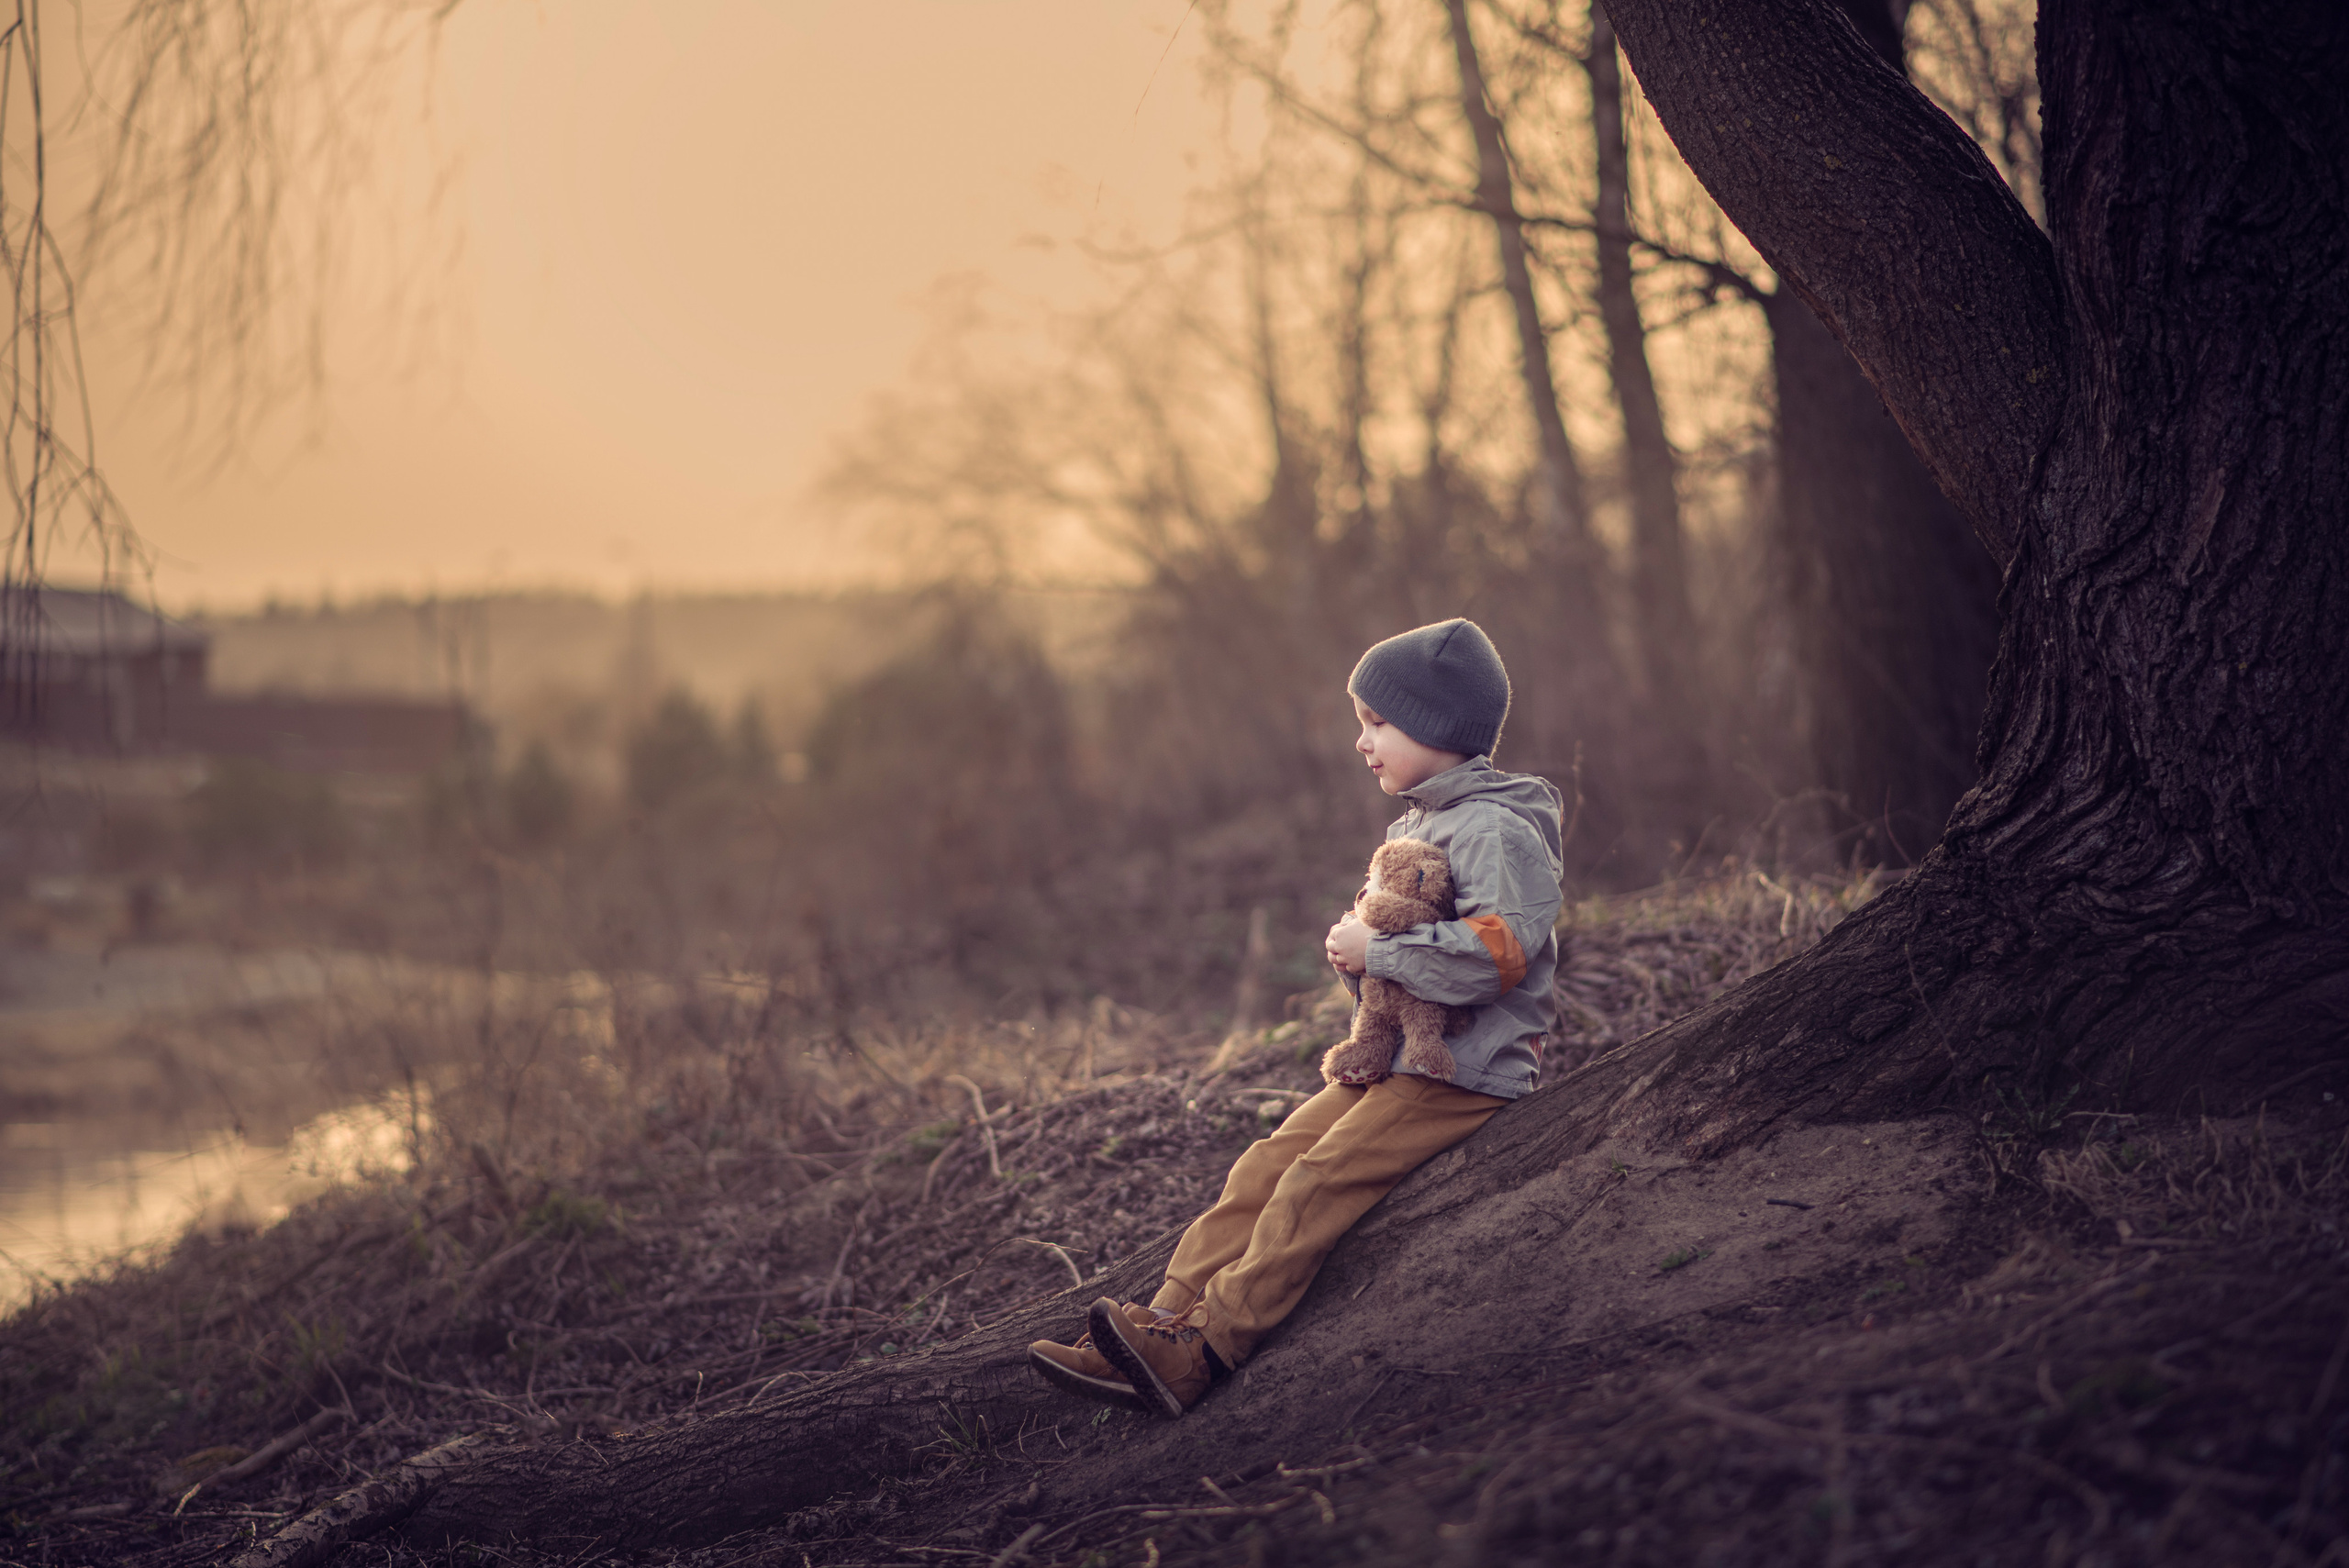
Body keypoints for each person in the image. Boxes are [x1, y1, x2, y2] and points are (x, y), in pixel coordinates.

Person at [1028, 618, 1564, 1418]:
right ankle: (1159, 1321)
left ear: (1438, 728)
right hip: (1402, 1063)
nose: (1362, 742)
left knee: (1315, 1182)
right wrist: (1360, 955)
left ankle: (1205, 1347)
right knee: (1267, 1161)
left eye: (1376, 723)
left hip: (1463, 1073)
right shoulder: (1420, 823)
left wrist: (1378, 953)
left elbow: (1497, 956)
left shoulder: (1493, 828)